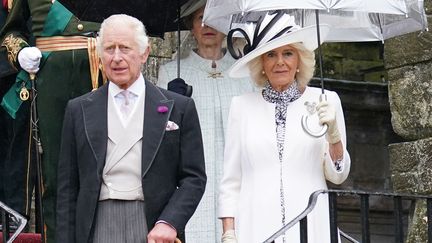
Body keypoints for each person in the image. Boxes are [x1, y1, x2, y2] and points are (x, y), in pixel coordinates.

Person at [56, 14, 206, 243]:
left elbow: (194, 178)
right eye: (109, 49)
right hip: (98, 223)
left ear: (144, 53)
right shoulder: (78, 109)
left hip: (152, 224)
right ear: (99, 55)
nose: (116, 58)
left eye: (125, 48)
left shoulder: (179, 107)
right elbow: (67, 190)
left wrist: (170, 222)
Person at [218, 11, 351, 243]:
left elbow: (337, 175)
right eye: (271, 54)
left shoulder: (325, 100)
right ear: (261, 64)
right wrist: (228, 232)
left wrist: (334, 134)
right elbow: (231, 179)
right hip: (256, 223)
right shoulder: (241, 106)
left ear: (299, 60)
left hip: (311, 222)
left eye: (288, 53)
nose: (280, 62)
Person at [0, 1, 101, 241]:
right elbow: (11, 32)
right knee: (53, 176)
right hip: (50, 82)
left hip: (103, 73)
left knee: (103, 173)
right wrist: (21, 52)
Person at [158, 1, 255, 242]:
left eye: (213, 18)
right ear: (191, 26)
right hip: (192, 175)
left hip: (240, 174)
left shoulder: (246, 71)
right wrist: (169, 103)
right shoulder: (171, 72)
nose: (206, 25)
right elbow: (161, 133)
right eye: (200, 18)